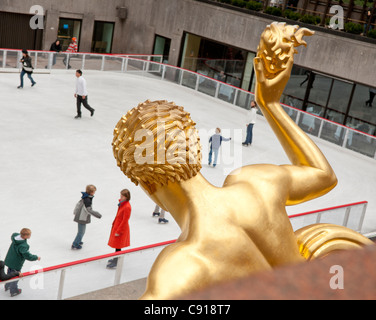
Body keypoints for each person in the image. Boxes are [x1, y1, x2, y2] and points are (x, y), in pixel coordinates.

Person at [4, 228, 40, 297]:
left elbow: (14, 233)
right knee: (15, 277)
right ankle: (13, 291)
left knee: (9, 273)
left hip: (10, 260)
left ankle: (7, 285)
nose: (30, 236)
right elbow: (27, 256)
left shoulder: (15, 236)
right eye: (29, 235)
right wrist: (36, 257)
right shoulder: (23, 246)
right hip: (16, 264)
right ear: (25, 236)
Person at [107, 189, 132, 269]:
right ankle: (115, 258)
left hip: (120, 228)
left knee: (118, 245)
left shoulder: (127, 207)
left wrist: (119, 231)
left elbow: (125, 220)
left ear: (126, 197)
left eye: (122, 196)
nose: (120, 197)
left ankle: (116, 260)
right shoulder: (122, 204)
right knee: (117, 245)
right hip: (117, 226)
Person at [72, 184, 102, 249]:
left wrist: (75, 212)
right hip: (81, 218)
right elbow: (89, 210)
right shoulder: (87, 200)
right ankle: (75, 244)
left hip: (81, 216)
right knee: (81, 232)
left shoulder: (85, 197)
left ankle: (78, 240)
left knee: (82, 231)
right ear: (91, 192)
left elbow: (78, 204)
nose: (94, 193)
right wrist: (98, 215)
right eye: (94, 192)